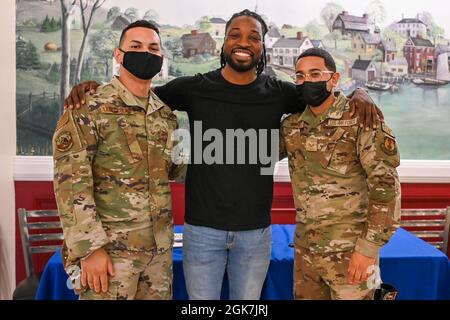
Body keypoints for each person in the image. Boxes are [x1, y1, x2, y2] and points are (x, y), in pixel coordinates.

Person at [63, 10, 381, 300]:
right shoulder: (193, 88)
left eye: (253, 37)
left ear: (262, 47)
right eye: (235, 34)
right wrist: (92, 88)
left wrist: (359, 94)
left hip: (255, 234)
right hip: (202, 231)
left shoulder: (280, 93)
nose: (244, 42)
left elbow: (322, 96)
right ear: (224, 42)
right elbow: (136, 95)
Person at [53, 20, 184, 300]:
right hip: (110, 256)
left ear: (161, 58)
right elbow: (71, 184)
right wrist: (90, 249)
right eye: (135, 46)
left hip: (158, 254)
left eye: (153, 48)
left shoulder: (164, 116)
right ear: (118, 54)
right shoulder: (88, 107)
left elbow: (175, 168)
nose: (145, 53)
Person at [280, 48, 401, 300]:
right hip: (307, 254)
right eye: (300, 76)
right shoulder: (292, 125)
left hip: (352, 254)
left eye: (315, 74)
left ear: (333, 79)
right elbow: (253, 154)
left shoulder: (361, 118)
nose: (307, 81)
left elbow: (386, 187)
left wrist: (368, 249)